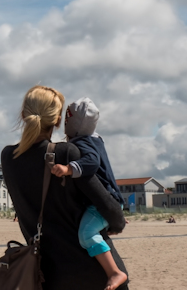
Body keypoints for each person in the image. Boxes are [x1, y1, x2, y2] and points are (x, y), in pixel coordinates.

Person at [1, 85, 129, 290]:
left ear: (24, 114)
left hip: (47, 276)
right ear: (58, 120)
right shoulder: (66, 154)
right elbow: (110, 207)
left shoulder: (8, 157)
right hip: (94, 274)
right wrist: (116, 223)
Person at [49, 97, 127, 290]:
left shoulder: (83, 142)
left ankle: (114, 272)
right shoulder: (95, 139)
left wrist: (69, 169)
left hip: (103, 200)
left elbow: (91, 162)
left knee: (86, 234)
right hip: (110, 198)